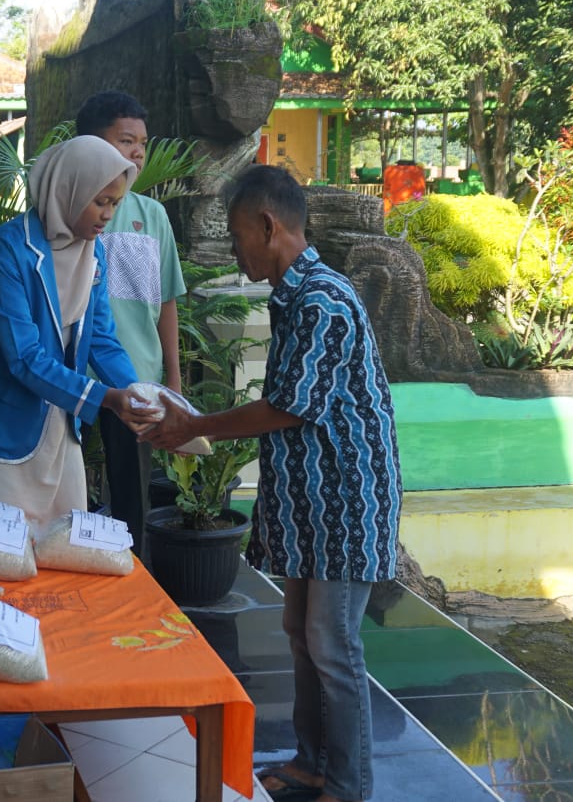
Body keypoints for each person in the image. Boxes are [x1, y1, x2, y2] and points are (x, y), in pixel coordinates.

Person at [145, 166, 401, 802]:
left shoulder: (322, 300)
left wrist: (196, 426)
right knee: (300, 633)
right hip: (311, 500)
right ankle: (313, 763)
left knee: (333, 645)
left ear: (269, 226)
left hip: (348, 500)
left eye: (238, 237)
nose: (236, 251)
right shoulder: (294, 294)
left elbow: (288, 406)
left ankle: (348, 784)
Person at [0, 135, 159, 524]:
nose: (108, 215)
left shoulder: (95, 252)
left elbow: (103, 341)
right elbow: (23, 358)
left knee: (62, 549)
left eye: (115, 204)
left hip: (58, 423)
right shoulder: (5, 252)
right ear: (68, 190)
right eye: (100, 201)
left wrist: (142, 397)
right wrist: (107, 399)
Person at [76, 90, 187, 549]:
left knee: (132, 504)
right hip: (72, 379)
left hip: (137, 378)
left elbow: (165, 303)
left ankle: (135, 581)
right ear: (89, 144)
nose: (138, 151)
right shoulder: (66, 211)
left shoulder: (152, 215)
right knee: (69, 493)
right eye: (126, 140)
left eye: (142, 142)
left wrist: (173, 382)